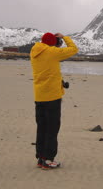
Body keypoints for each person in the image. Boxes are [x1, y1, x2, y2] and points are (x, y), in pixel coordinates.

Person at [30, 32, 78, 170]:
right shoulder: (52, 52)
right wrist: (64, 37)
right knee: (52, 129)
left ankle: (40, 158)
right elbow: (74, 49)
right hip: (52, 97)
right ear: (52, 43)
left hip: (39, 96)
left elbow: (48, 71)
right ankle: (49, 159)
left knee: (42, 128)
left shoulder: (34, 52)